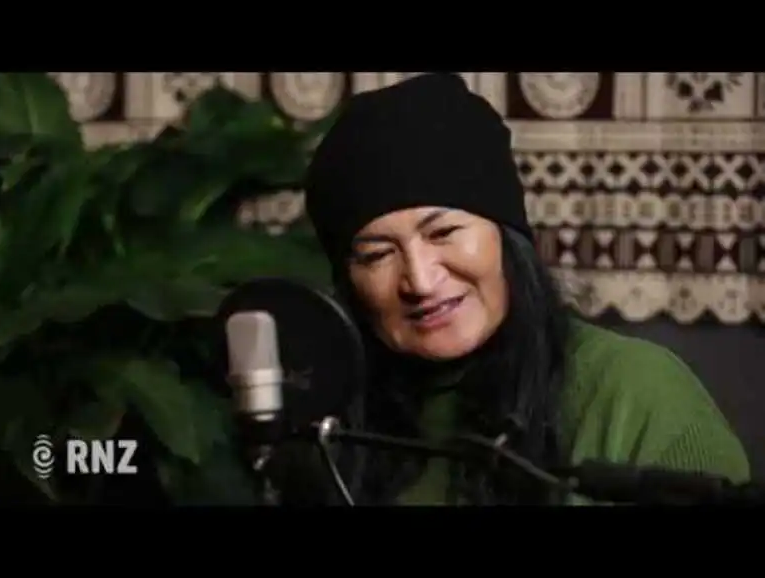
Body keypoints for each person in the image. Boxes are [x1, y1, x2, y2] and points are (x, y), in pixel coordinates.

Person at [296, 72, 750, 506]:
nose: (420, 280)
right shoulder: (330, 428)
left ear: (506, 238)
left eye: (444, 232)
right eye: (377, 255)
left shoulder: (635, 392)